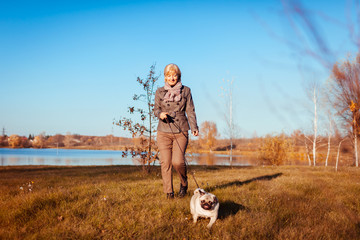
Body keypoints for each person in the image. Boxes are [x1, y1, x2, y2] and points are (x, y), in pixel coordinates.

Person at [154, 63, 199, 199]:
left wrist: (194, 127)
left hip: (181, 130)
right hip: (163, 130)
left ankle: (184, 183)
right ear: (165, 77)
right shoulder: (159, 92)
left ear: (178, 76)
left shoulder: (186, 91)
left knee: (178, 162)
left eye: (174, 75)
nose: (172, 78)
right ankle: (169, 193)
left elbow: (190, 110)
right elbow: (155, 109)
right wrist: (160, 113)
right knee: (165, 162)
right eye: (169, 76)